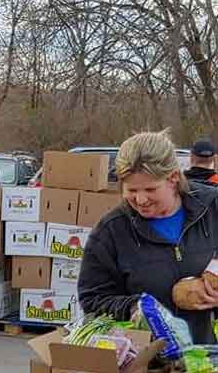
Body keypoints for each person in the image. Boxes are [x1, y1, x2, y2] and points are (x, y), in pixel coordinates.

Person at [79, 130, 218, 345]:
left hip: (210, 362)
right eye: (131, 190)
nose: (141, 199)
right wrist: (135, 308)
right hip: (149, 363)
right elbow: (93, 300)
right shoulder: (111, 231)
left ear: (173, 178)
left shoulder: (212, 207)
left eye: (150, 189)